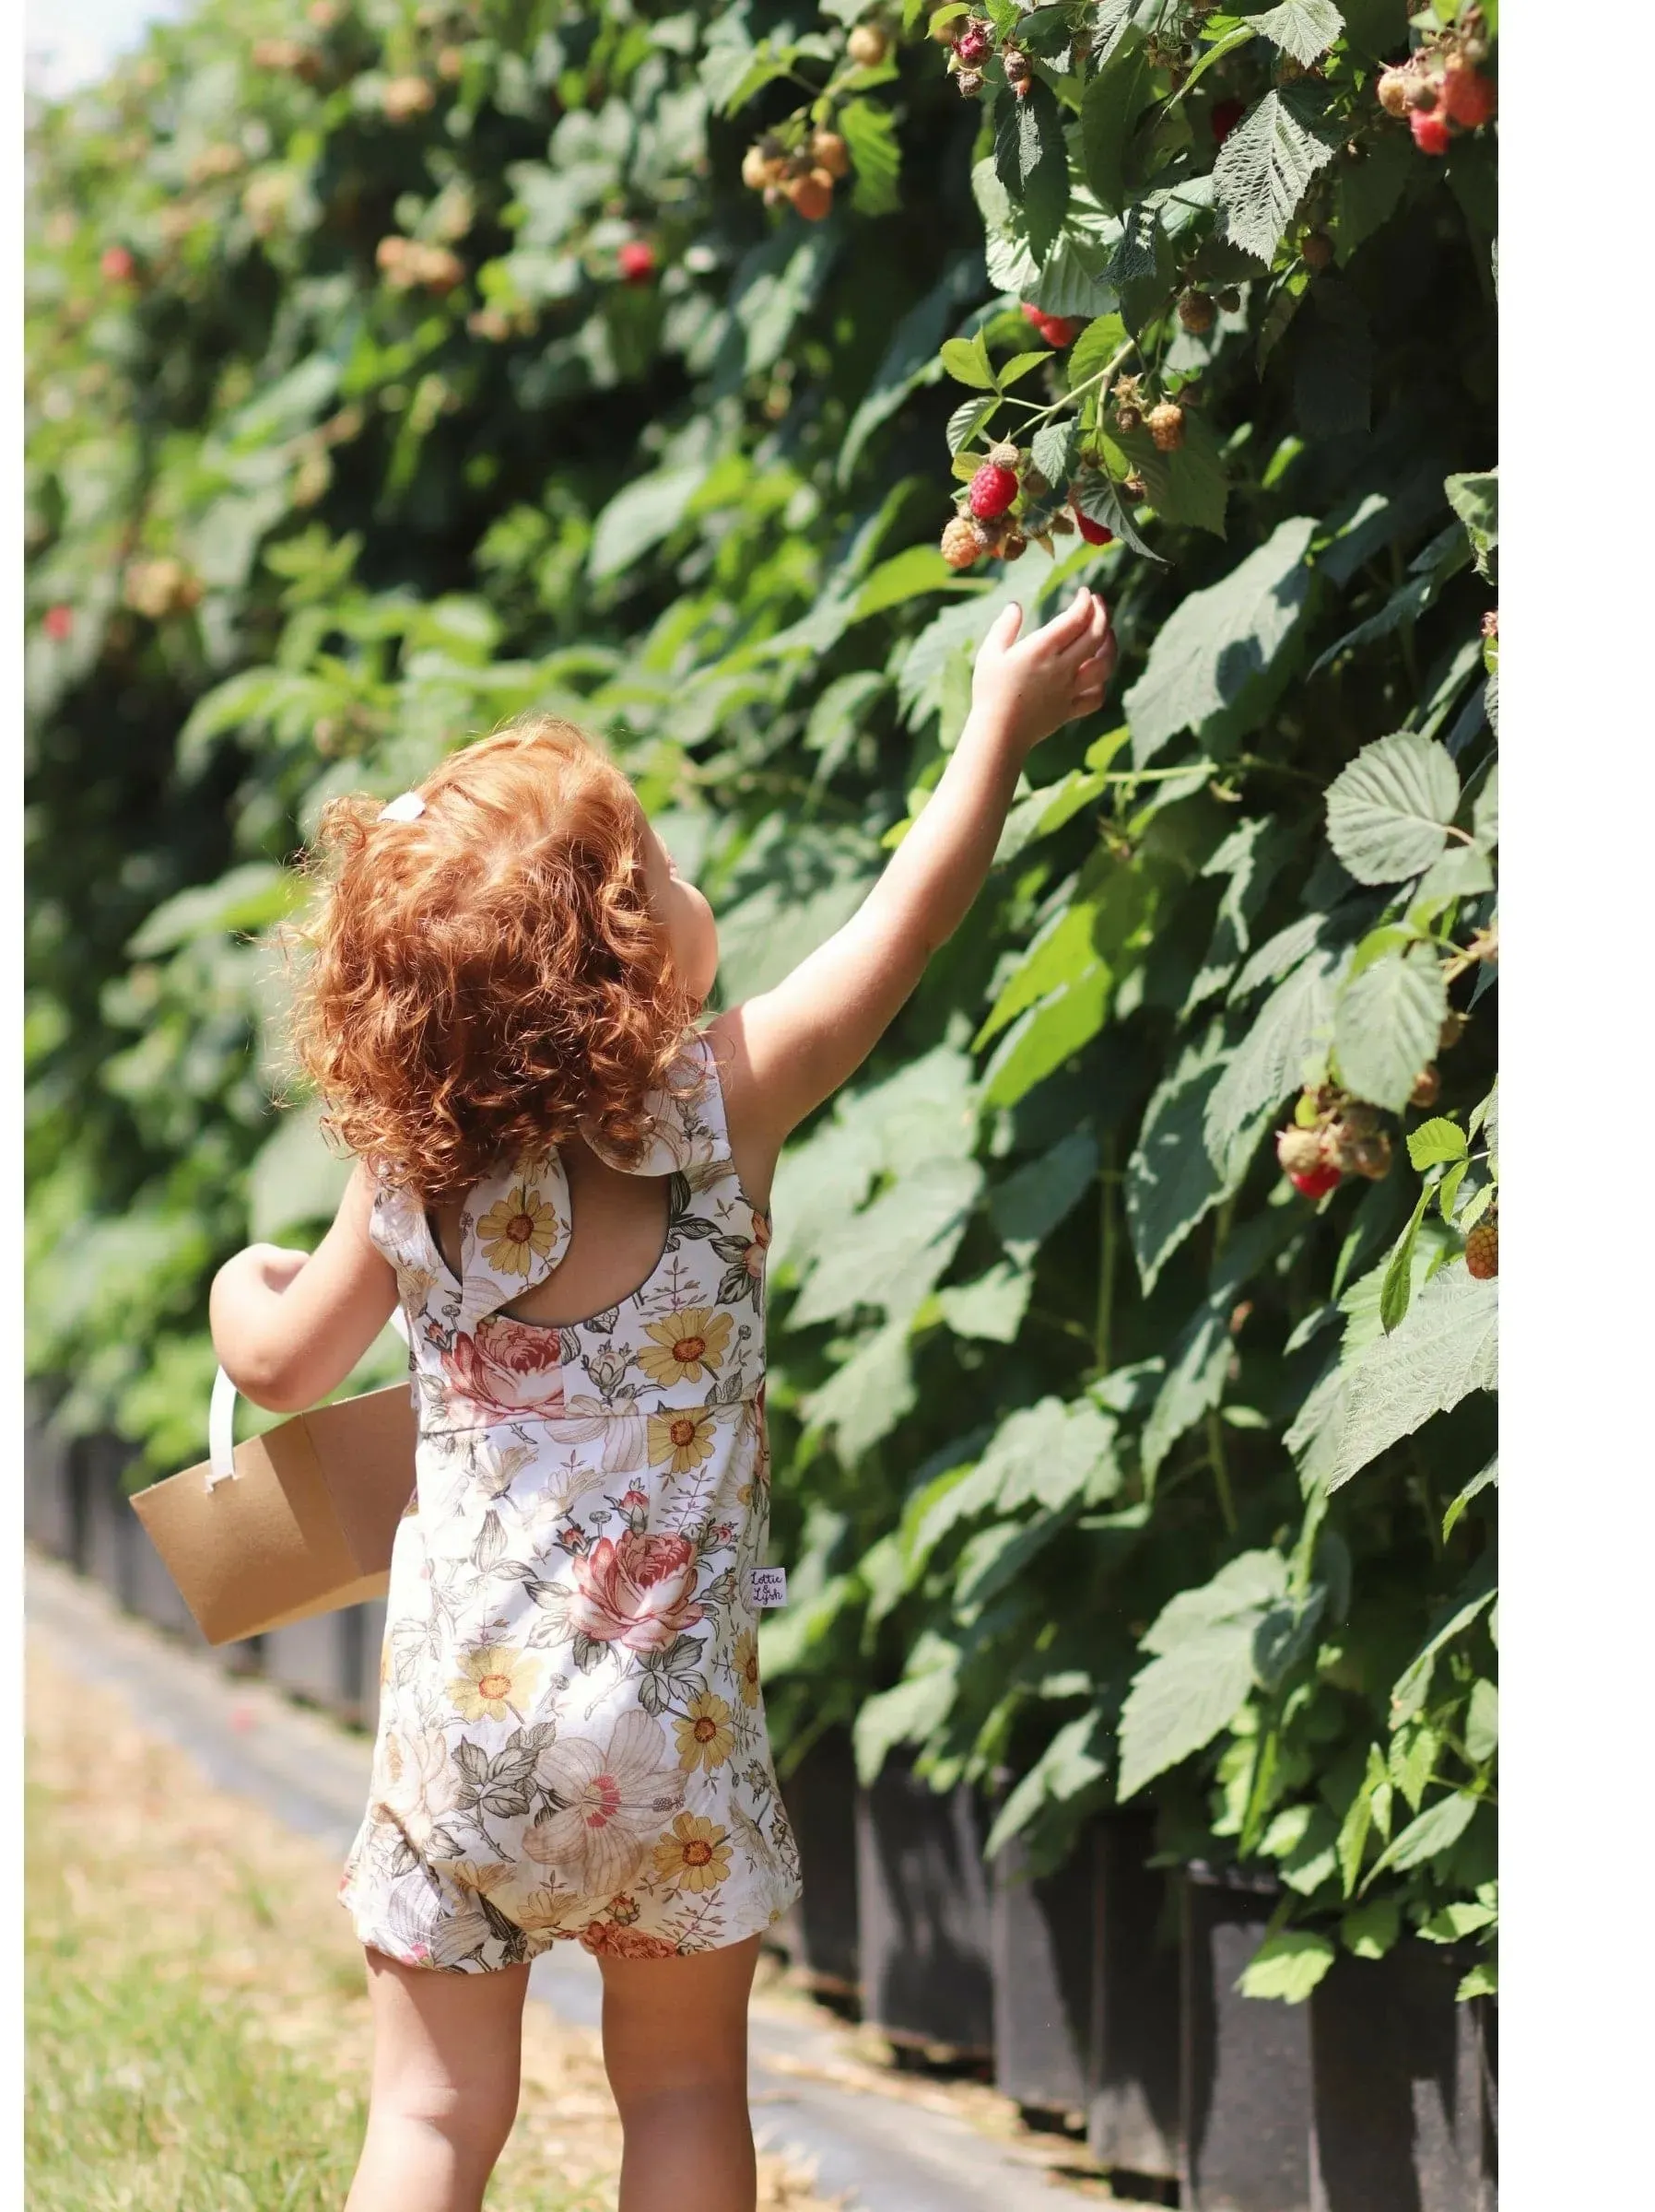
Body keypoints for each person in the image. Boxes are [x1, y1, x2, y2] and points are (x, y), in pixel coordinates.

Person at [208, 587, 1116, 2212]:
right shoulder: (717, 1117)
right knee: (688, 2091)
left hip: (462, 1730)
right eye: (664, 880)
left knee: (426, 2120)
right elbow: (903, 921)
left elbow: (278, 1366)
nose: (693, 891)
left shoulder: (409, 1176)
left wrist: (248, 1276)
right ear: (629, 968)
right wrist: (996, 723)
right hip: (675, 1728)